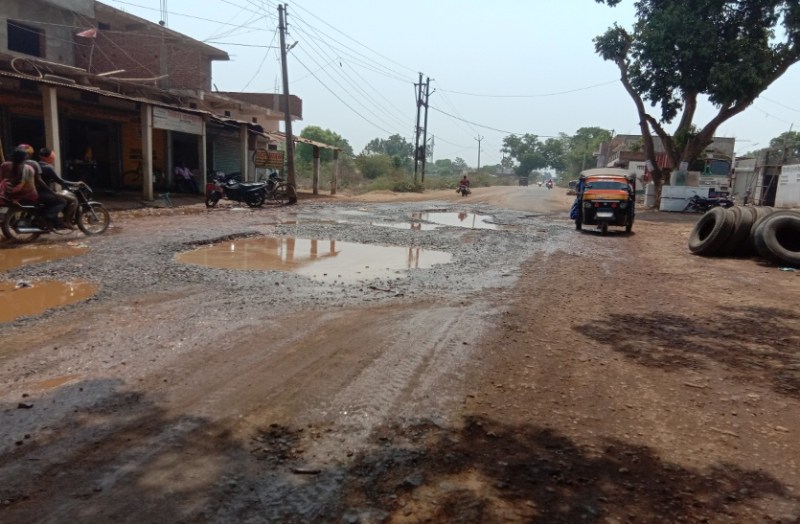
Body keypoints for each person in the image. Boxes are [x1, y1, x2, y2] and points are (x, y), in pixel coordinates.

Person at [1, 144, 65, 228]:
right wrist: (52, 192)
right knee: (61, 201)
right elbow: (34, 184)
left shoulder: (4, 165)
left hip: (7, 194)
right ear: (26, 157)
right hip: (27, 195)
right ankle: (47, 217)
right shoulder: (29, 167)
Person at [39, 147, 80, 228]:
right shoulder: (48, 167)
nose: (53, 159)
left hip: (39, 191)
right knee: (65, 201)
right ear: (47, 158)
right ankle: (62, 220)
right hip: (44, 193)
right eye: (52, 157)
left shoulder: (38, 165)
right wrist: (76, 183)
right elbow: (60, 180)